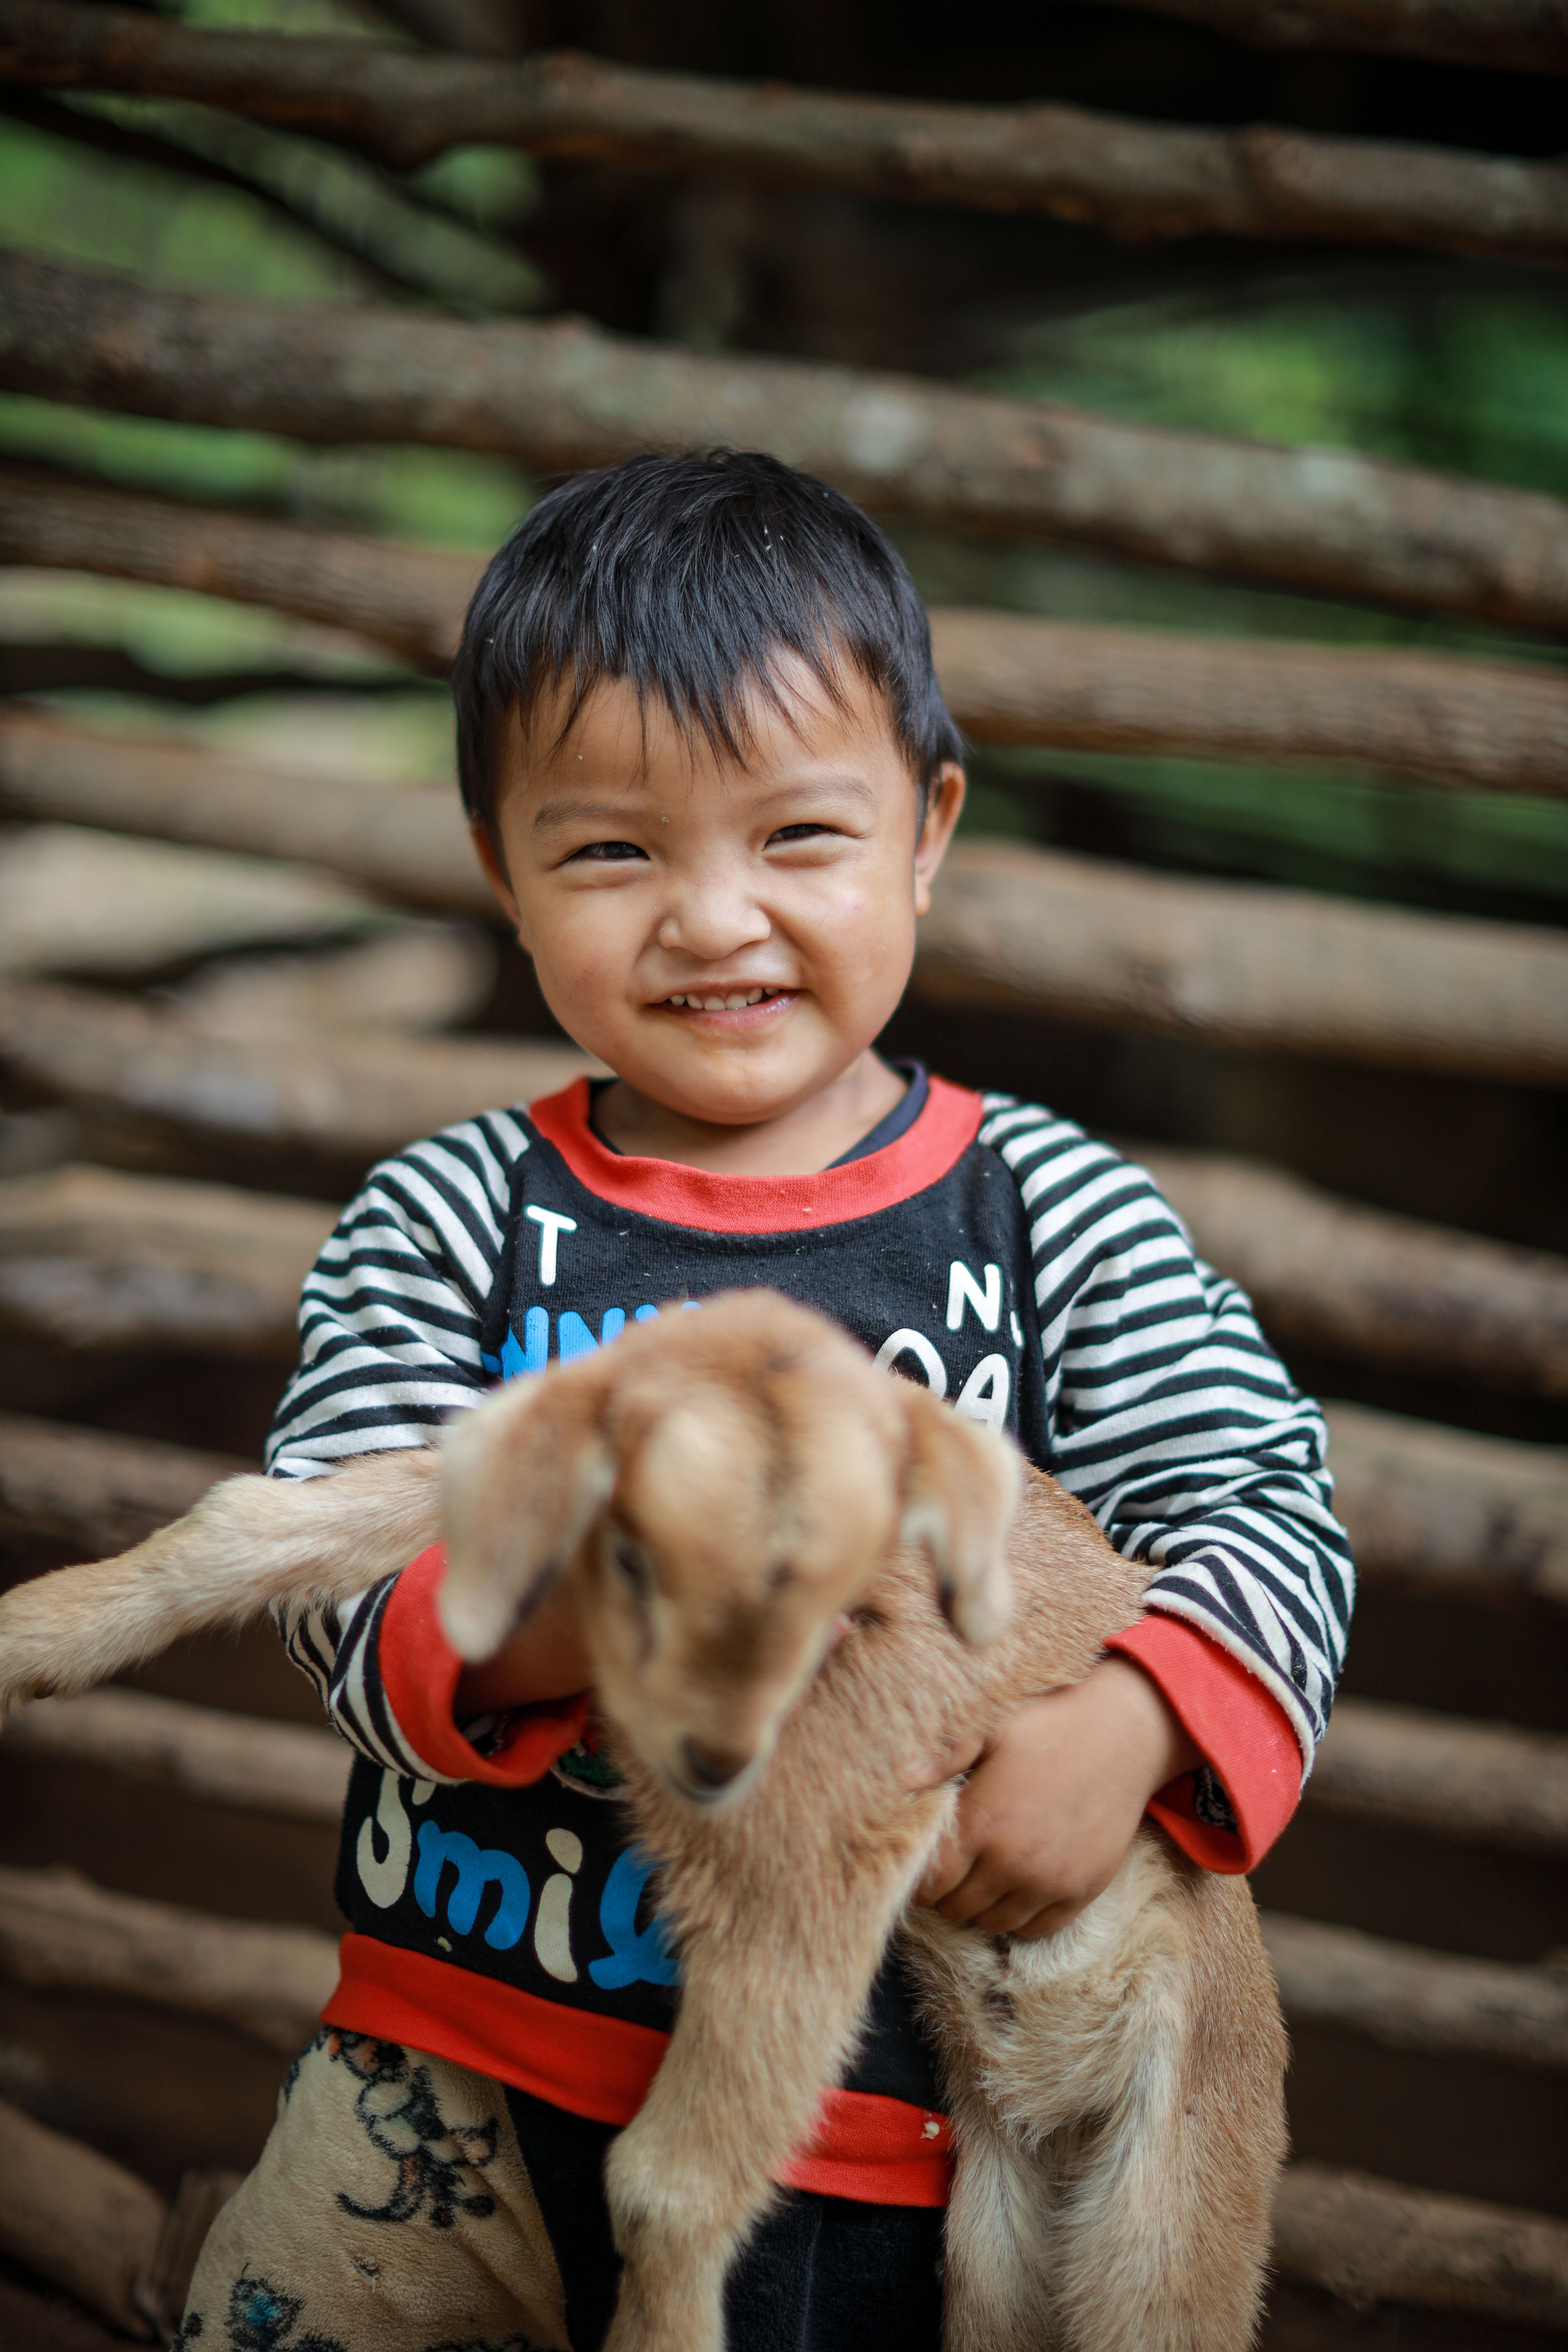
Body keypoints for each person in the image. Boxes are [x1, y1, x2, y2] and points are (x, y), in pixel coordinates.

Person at [182, 451, 1352, 2352]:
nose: (713, 921)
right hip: (451, 2073)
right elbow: (330, 1572)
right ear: (500, 866)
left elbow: (1262, 1499)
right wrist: (597, 1608)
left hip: (866, 2134)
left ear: (928, 830)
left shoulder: (1046, 1211)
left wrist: (1141, 1726)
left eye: (798, 838)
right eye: (614, 851)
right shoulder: (451, 1214)